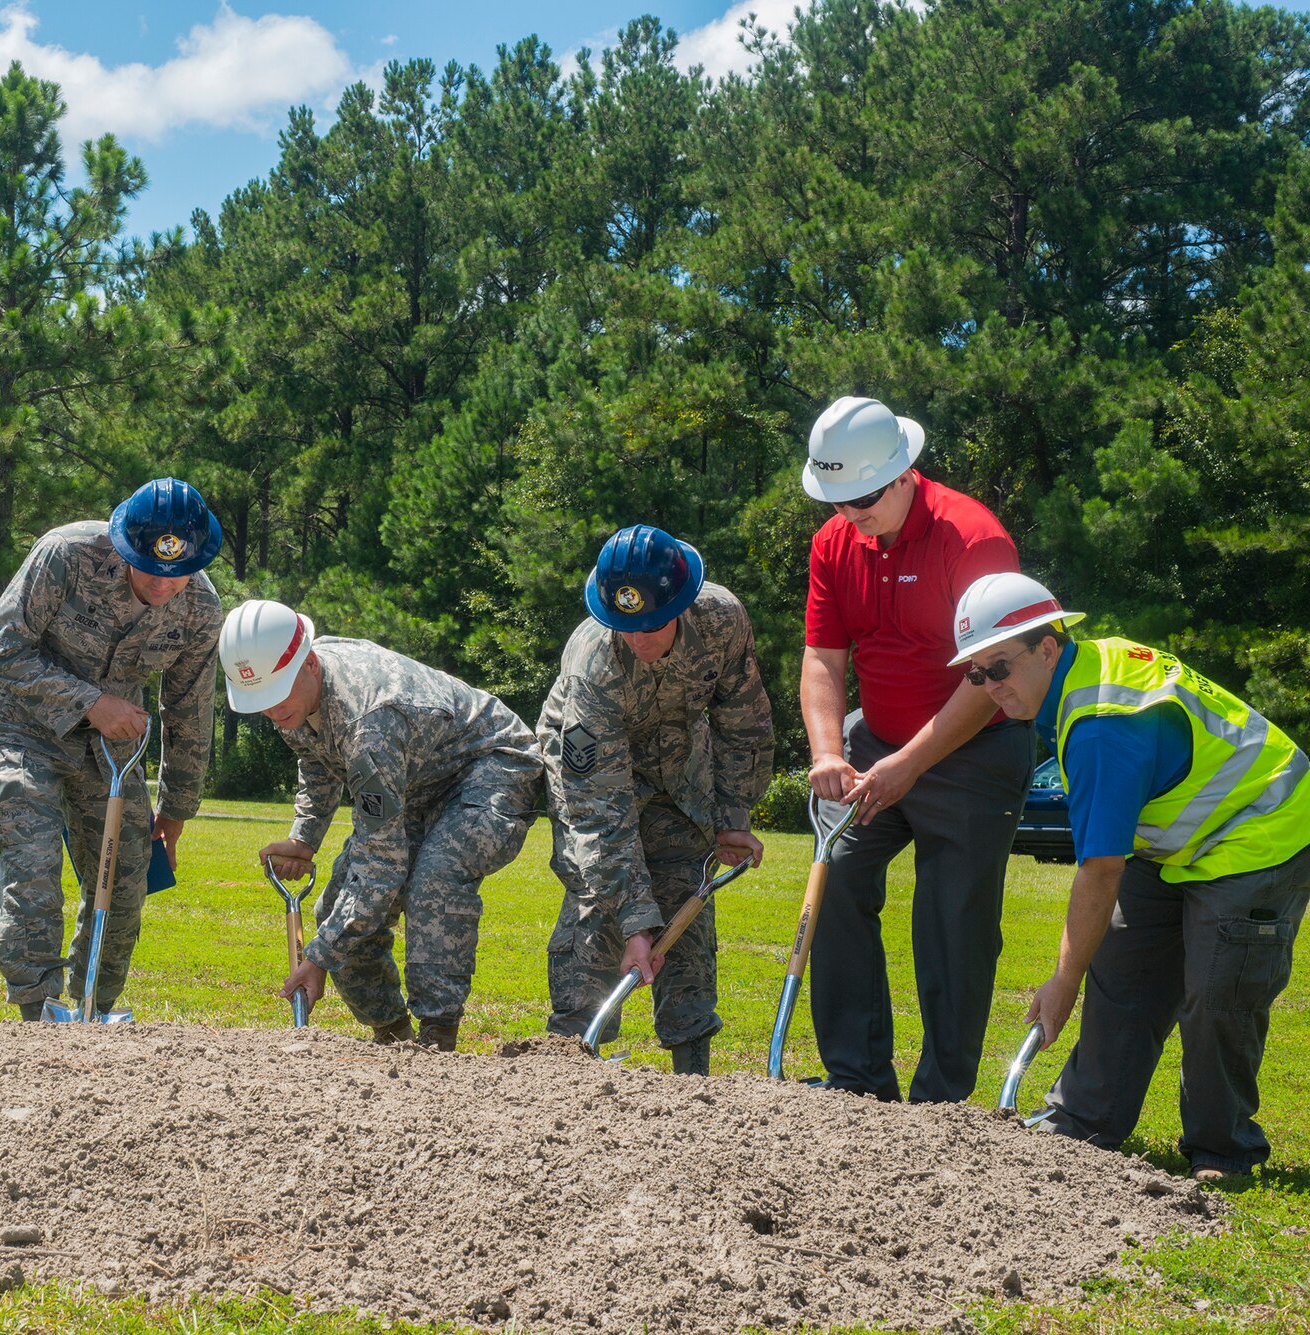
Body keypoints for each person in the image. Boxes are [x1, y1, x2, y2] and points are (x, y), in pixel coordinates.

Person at [949, 573, 1310, 1178]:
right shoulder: (1077, 675)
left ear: (1047, 646)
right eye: (975, 673)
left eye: (999, 667)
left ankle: (1223, 1150)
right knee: (1122, 967)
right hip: (1178, 842)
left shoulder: (1101, 723)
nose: (990, 687)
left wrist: (1062, 980)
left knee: (1219, 992)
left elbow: (1100, 870)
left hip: (1261, 828)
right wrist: (1081, 970)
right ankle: (1084, 1122)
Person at [798, 395, 1035, 1102]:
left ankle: (941, 1104)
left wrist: (911, 765)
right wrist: (826, 752)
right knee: (837, 877)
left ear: (903, 472)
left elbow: (989, 677)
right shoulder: (834, 543)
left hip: (974, 749)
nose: (851, 512)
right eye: (837, 499)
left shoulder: (974, 538)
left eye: (863, 497)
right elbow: (821, 659)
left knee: (953, 919)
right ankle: (857, 1078)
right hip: (876, 741)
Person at [220, 599, 542, 1052]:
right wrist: (304, 837)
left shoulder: (370, 722)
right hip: (418, 779)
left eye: (274, 696)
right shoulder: (292, 688)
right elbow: (315, 759)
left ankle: (435, 1040)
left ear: (308, 663)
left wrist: (317, 958)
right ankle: (392, 1037)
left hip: (491, 767)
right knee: (334, 907)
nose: (270, 711)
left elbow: (382, 866)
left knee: (434, 879)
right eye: (259, 701)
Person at [0, 478, 225, 1019]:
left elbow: (189, 712)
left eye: (177, 571)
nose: (164, 584)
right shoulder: (67, 555)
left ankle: (92, 1011)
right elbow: (1, 651)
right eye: (151, 568)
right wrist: (90, 703)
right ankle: (37, 1009)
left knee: (127, 877)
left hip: (110, 749)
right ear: (125, 545)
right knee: (34, 859)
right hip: (23, 726)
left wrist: (176, 811)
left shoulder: (201, 609)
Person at [539, 526, 774, 1074]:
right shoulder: (593, 665)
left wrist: (732, 815)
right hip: (590, 773)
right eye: (625, 627)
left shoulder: (722, 619)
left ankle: (692, 1071)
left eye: (651, 625)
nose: (639, 641)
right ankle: (570, 1060)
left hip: (680, 768)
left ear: (682, 604)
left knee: (686, 891)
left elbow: (744, 721)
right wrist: (634, 921)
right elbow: (600, 817)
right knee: (598, 900)